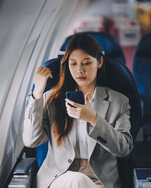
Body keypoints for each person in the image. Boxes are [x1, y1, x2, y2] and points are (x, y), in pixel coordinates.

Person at [23, 33, 133, 188]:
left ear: (99, 62)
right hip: (57, 178)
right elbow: (31, 140)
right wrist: (37, 93)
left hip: (99, 181)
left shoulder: (118, 102)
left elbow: (124, 148)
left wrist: (94, 118)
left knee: (79, 182)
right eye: (73, 64)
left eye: (86, 63)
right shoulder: (52, 99)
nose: (80, 70)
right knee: (76, 180)